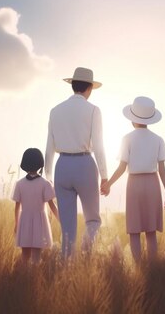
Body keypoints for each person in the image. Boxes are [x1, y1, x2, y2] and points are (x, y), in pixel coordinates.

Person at [45, 67, 108, 258]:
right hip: (85, 165)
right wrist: (105, 176)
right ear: (89, 88)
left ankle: (67, 264)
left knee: (67, 225)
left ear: (73, 85)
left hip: (62, 166)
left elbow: (49, 146)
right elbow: (98, 145)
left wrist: (48, 177)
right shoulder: (93, 110)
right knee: (93, 220)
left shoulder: (55, 111)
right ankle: (86, 255)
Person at [101, 96, 165, 263]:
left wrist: (108, 184)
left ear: (133, 119)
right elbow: (162, 170)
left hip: (134, 184)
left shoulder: (127, 139)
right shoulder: (158, 140)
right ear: (150, 119)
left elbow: (121, 168)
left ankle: (138, 267)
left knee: (134, 230)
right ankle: (153, 267)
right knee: (151, 230)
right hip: (153, 184)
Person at [13, 148, 59, 264]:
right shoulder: (45, 183)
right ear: (40, 163)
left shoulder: (19, 184)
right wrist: (61, 220)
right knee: (36, 257)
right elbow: (52, 205)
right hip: (40, 222)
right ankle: (34, 277)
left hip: (24, 221)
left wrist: (16, 223)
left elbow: (17, 207)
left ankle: (24, 279)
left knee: (25, 254)